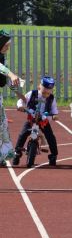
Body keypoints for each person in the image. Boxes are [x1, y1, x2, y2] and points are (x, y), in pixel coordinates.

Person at [13, 76, 60, 166]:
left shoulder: (52, 99)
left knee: (51, 137)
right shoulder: (32, 93)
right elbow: (22, 100)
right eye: (44, 91)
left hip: (43, 121)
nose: (46, 94)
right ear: (39, 87)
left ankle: (53, 155)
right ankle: (17, 152)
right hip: (32, 118)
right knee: (23, 134)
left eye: (48, 92)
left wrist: (55, 115)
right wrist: (20, 106)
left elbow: (54, 110)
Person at [0, 29, 24, 166]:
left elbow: (6, 80)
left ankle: (2, 155)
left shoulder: (2, 57)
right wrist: (11, 74)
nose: (8, 48)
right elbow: (2, 69)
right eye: (6, 46)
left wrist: (18, 93)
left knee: (2, 127)